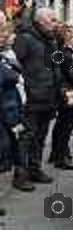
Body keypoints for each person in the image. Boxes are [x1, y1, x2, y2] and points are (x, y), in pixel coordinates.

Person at [13, 8, 61, 191]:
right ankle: (21, 174)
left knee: (40, 136)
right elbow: (16, 65)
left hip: (49, 96)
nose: (55, 23)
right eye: (53, 20)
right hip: (32, 97)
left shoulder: (52, 41)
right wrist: (29, 87)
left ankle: (35, 168)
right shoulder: (26, 38)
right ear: (41, 21)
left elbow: (57, 64)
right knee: (27, 136)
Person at [0, 23, 26, 213]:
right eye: (3, 34)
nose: (8, 38)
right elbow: (9, 77)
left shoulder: (5, 56)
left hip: (9, 110)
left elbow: (15, 72)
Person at [49, 25, 73, 170]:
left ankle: (56, 153)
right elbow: (72, 75)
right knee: (66, 125)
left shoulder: (62, 52)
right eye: (71, 35)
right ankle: (62, 156)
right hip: (69, 92)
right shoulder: (66, 54)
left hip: (65, 90)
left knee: (61, 123)